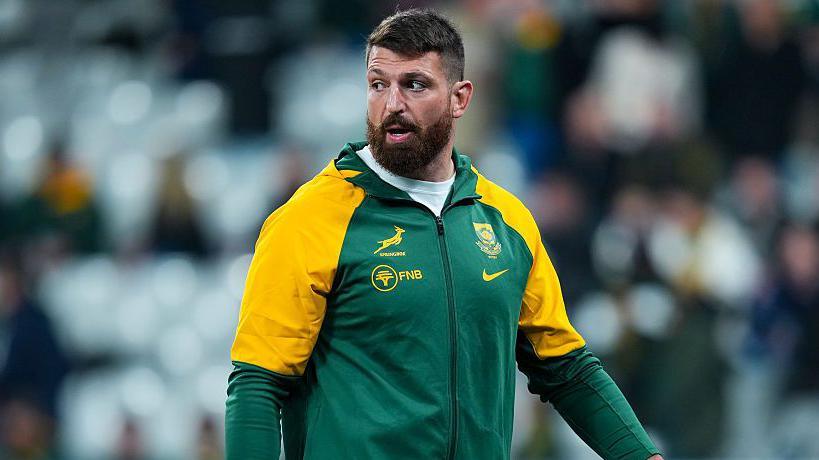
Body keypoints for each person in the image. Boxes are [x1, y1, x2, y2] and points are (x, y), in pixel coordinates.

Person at [226, 9, 662, 460]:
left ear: (460, 98)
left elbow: (566, 367)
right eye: (378, 84)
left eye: (414, 84)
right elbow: (259, 381)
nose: (392, 103)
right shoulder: (308, 219)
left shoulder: (506, 221)